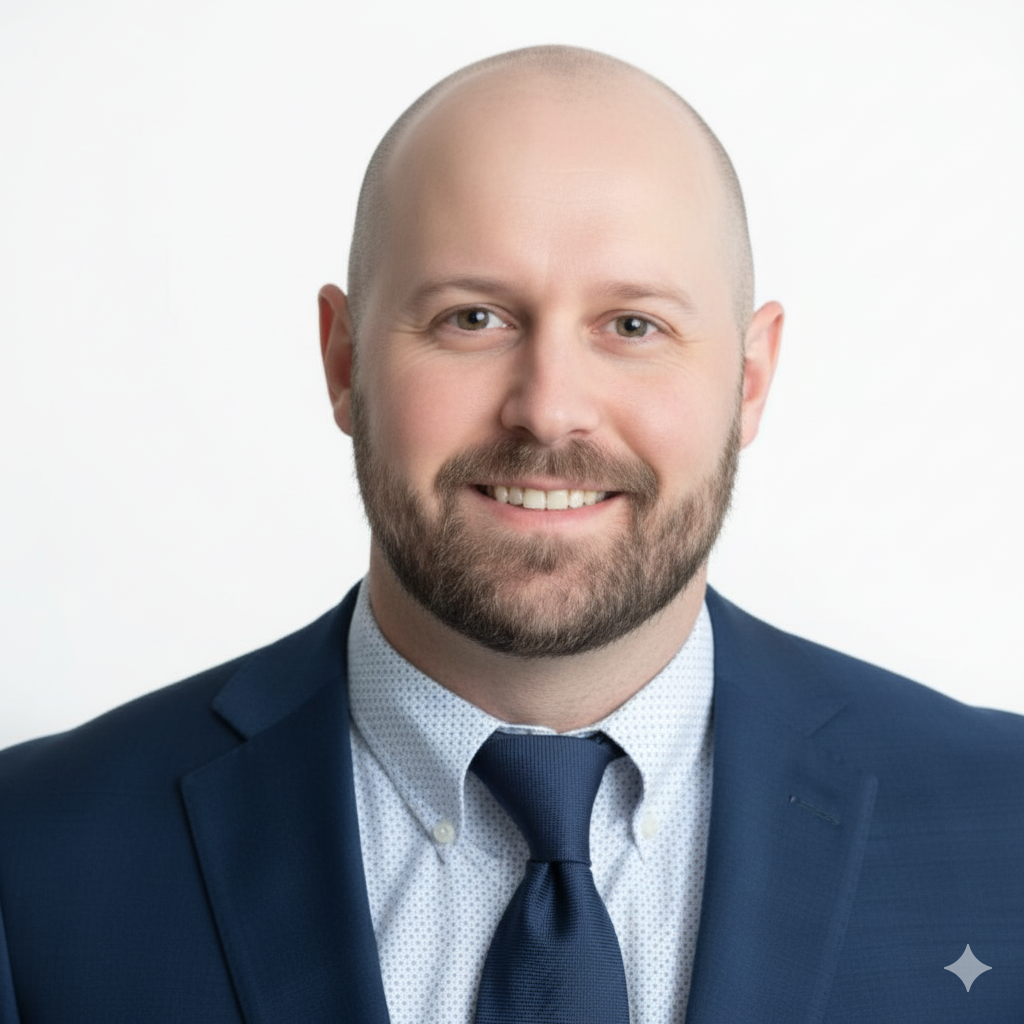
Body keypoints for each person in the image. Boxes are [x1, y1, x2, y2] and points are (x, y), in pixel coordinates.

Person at [0, 44, 1021, 1024]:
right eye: (472, 318)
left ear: (749, 381)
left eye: (633, 326)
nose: (549, 409)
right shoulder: (31, 856)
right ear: (343, 361)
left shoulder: (1004, 826)